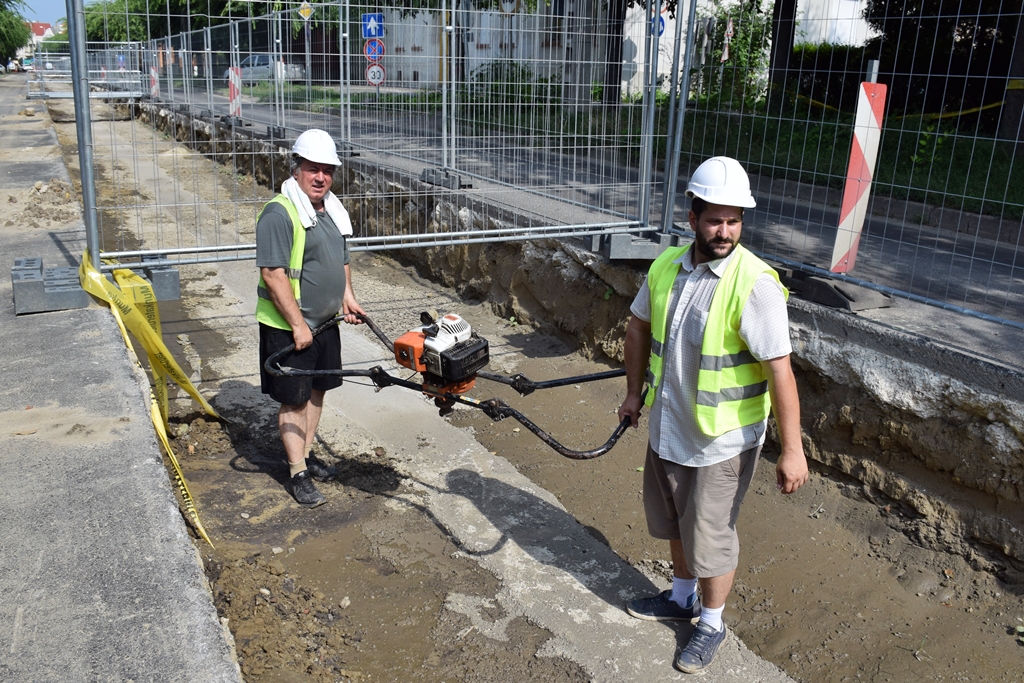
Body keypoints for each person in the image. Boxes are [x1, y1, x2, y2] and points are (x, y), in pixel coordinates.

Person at [617, 156, 808, 674]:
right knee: (676, 522)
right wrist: (635, 394)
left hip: (722, 439)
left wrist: (792, 450)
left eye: (734, 221)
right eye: (714, 220)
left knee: (712, 536)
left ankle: (711, 623)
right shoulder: (665, 267)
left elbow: (780, 371)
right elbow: (637, 328)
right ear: (692, 215)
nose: (725, 232)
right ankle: (682, 599)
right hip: (669, 425)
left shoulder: (755, 285)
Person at [256, 128, 365, 508]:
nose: (320, 177)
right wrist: (299, 325)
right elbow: (273, 274)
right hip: (290, 327)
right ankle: (297, 471)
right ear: (296, 168)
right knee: (294, 401)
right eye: (312, 168)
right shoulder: (279, 212)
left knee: (317, 391)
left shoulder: (331, 209)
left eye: (327, 170)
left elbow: (342, 258)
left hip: (325, 324)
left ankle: (306, 453)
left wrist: (347, 297)